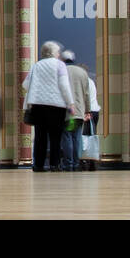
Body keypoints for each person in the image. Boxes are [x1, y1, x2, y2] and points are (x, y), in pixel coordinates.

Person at [23, 41, 76, 172]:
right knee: (55, 137)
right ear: (54, 53)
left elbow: (25, 84)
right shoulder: (60, 65)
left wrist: (39, 89)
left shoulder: (36, 66)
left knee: (40, 137)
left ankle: (38, 165)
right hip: (56, 106)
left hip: (38, 106)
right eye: (58, 52)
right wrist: (70, 103)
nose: (59, 54)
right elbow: (64, 85)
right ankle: (54, 164)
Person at [61, 50, 92, 172]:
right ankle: (76, 163)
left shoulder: (61, 71)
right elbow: (87, 94)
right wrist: (87, 110)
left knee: (67, 137)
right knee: (77, 138)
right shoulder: (82, 72)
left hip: (67, 112)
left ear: (63, 60)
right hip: (79, 111)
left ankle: (68, 164)